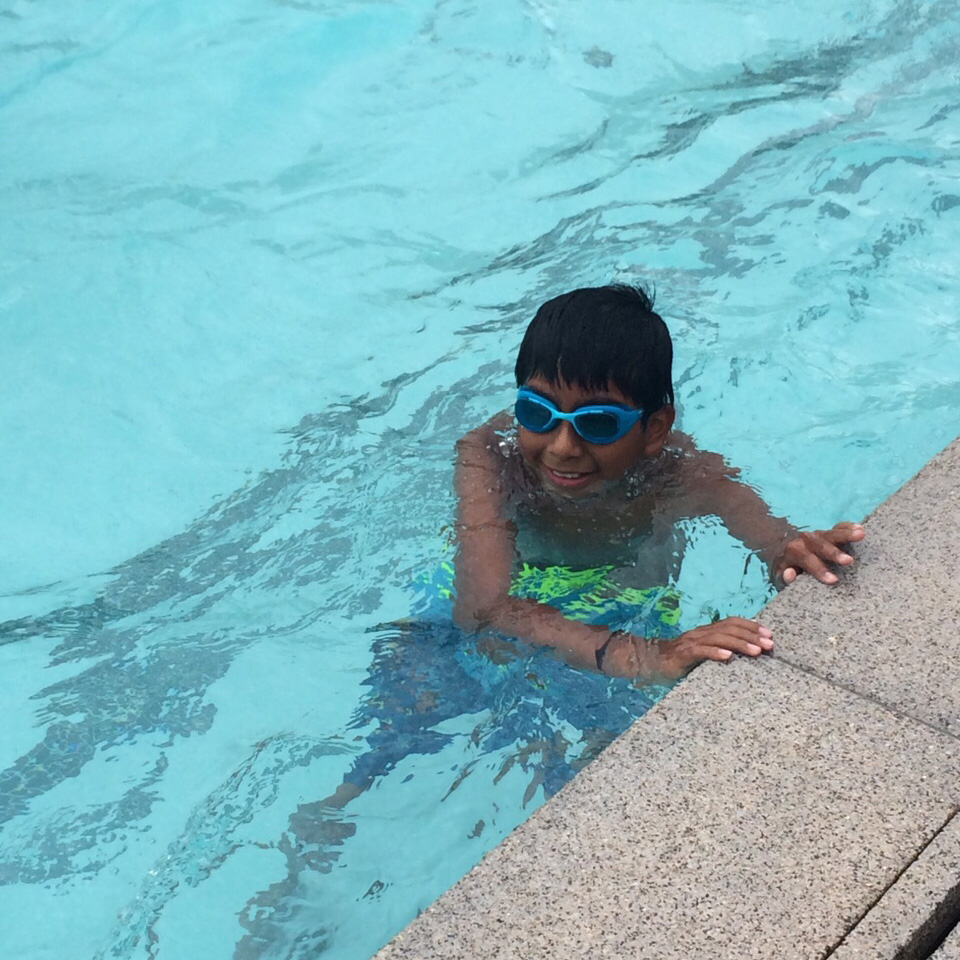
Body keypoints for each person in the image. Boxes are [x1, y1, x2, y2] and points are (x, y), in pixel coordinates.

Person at [453, 284, 865, 681]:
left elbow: (775, 542)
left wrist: (792, 554)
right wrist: (647, 657)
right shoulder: (492, 456)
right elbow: (483, 608)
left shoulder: (681, 473)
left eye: (598, 423)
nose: (563, 447)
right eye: (537, 412)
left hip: (628, 598)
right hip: (522, 598)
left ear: (654, 430)